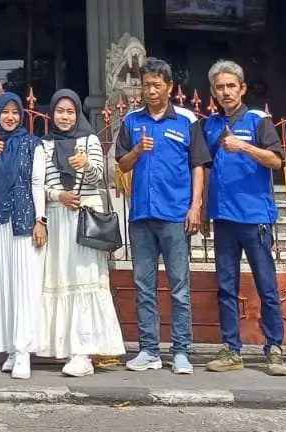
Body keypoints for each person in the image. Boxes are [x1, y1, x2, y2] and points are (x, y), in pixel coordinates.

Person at [114, 57, 209, 375]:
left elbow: (198, 164)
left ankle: (181, 351)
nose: (150, 91)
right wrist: (138, 150)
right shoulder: (131, 121)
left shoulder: (186, 119)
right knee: (144, 285)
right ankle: (149, 350)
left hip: (175, 214)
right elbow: (122, 165)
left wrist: (195, 205)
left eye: (157, 85)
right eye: (146, 85)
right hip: (141, 214)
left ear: (170, 87)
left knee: (179, 286)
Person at [202, 60, 286, 376]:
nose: (225, 92)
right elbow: (204, 168)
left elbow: (276, 161)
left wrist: (244, 147)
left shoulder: (257, 120)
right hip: (223, 217)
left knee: (266, 285)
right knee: (226, 286)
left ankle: (275, 348)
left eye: (231, 86)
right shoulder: (209, 125)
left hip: (256, 217)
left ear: (242, 88)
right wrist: (201, 210)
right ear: (213, 92)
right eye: (219, 87)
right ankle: (231, 350)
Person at [38, 89, 125, 377]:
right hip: (58, 219)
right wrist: (57, 196)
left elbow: (100, 177)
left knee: (85, 279)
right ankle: (61, 347)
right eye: (60, 111)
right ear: (52, 114)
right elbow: (37, 186)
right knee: (60, 279)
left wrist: (85, 164)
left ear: (78, 114)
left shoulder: (89, 141)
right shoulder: (44, 144)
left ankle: (84, 352)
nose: (64, 117)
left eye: (70, 112)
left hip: (84, 219)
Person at [0, 92, 47, 380]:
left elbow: (38, 183)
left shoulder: (33, 144)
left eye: (15, 112)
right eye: (4, 112)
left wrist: (40, 220)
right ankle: (9, 347)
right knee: (3, 285)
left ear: (22, 115)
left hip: (24, 221)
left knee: (24, 287)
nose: (10, 117)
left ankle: (23, 352)